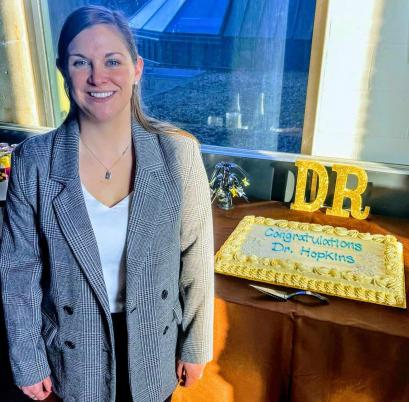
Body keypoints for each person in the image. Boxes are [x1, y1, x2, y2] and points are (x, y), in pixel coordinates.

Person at [0, 5, 214, 402]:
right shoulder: (32, 160)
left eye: (112, 61)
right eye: (82, 62)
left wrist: (196, 345)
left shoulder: (179, 154)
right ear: (63, 70)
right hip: (70, 348)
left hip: (155, 344)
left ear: (137, 69)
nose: (98, 77)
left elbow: (196, 258)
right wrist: (27, 357)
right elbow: (18, 271)